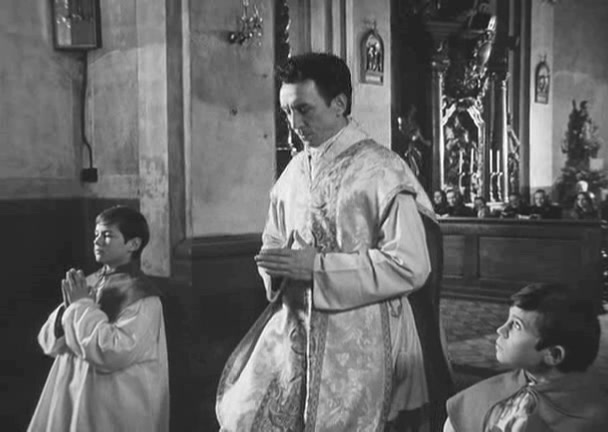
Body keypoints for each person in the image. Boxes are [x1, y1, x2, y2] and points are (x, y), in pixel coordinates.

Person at [216, 52, 452, 431]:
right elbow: (275, 237)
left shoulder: (382, 170)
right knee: (249, 414)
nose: (294, 124)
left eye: (303, 109)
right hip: (295, 324)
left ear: (339, 103)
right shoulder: (295, 170)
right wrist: (278, 266)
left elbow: (411, 264)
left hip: (364, 332)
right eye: (286, 112)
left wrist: (318, 268)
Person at [28, 206, 169, 432]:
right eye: (96, 234)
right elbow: (50, 344)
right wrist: (66, 311)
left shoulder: (142, 297)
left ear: (133, 244)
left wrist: (80, 307)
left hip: (112, 402)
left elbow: (112, 352)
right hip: (74, 391)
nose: (97, 241)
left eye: (107, 235)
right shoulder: (90, 282)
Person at [444, 283, 608, 432]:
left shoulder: (594, 418)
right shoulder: (485, 395)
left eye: (516, 325)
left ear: (553, 354)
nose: (501, 330)